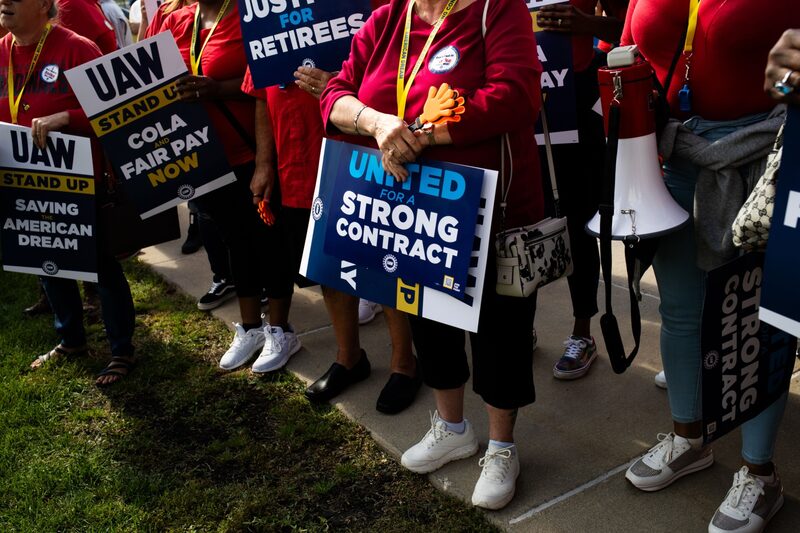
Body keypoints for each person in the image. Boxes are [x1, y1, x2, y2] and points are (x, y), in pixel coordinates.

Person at [321, 0, 543, 509]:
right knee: (429, 318)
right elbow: (334, 95)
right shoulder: (387, 18)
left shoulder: (497, 9)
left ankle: (502, 447)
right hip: (413, 215)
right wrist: (378, 123)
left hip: (494, 209)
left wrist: (420, 137)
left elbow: (514, 97)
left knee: (500, 327)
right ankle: (451, 427)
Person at [620, 2, 800, 532]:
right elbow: (636, 51)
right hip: (677, 155)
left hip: (767, 157)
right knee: (679, 309)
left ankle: (759, 473)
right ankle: (688, 438)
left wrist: (792, 86)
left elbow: (790, 77)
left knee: (761, 320)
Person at [1, 0, 137, 386]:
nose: (4, 2)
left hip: (80, 183)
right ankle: (70, 340)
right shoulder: (0, 51)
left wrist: (68, 118)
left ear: (44, 4)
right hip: (23, 182)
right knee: (46, 257)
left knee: (99, 266)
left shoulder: (77, 48)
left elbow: (116, 111)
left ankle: (121, 349)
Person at [157, 0, 276, 368]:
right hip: (199, 156)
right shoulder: (176, 20)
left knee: (261, 240)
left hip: (246, 152)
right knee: (233, 240)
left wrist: (217, 89)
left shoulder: (250, 16)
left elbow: (270, 81)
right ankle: (251, 327)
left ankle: (277, 330)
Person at [535, 0, 627, 380]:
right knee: (520, 216)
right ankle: (521, 323)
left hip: (574, 99)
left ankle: (582, 331)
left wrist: (584, 22)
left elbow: (628, 29)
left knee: (577, 216)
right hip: (517, 98)